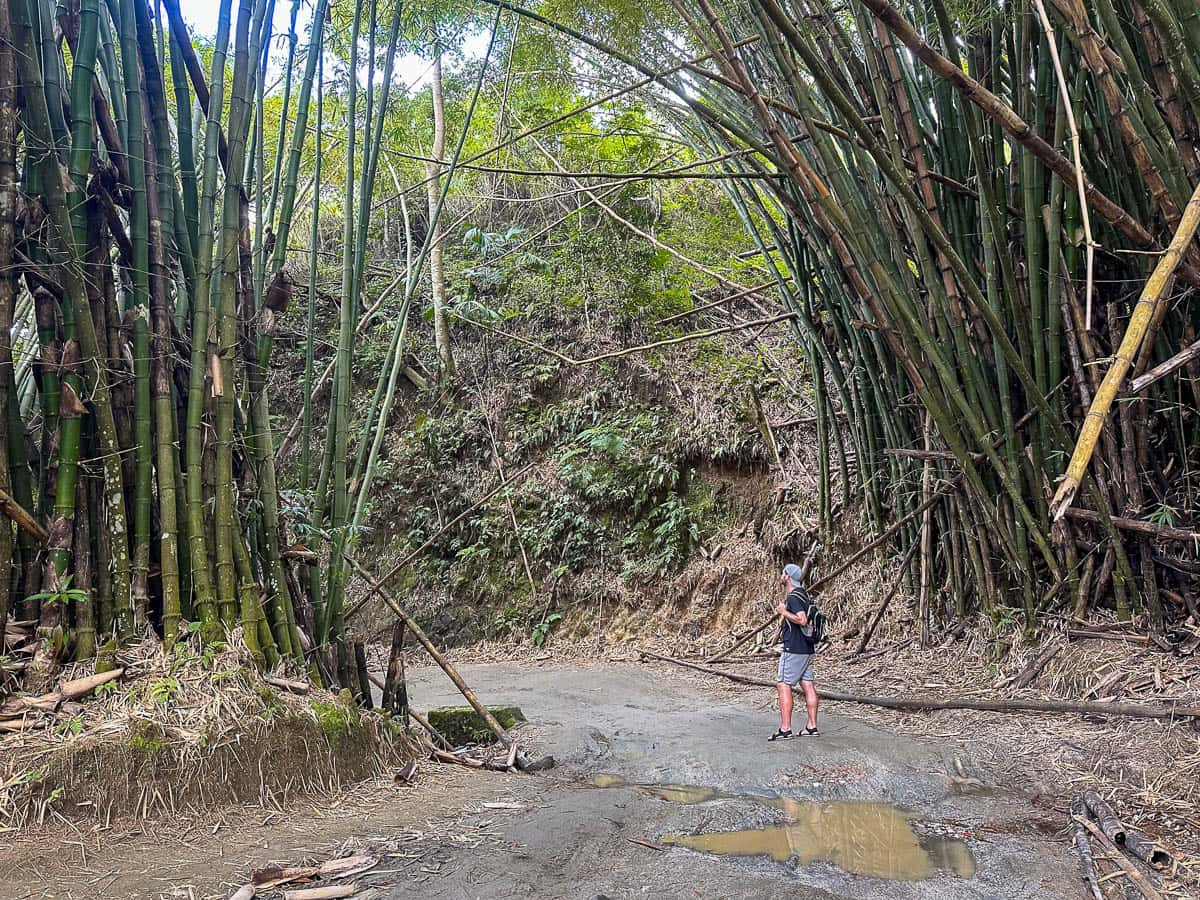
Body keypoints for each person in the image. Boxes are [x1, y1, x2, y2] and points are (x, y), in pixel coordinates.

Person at [768, 563, 819, 740]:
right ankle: (811, 726)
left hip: (794, 649)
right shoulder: (805, 595)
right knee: (808, 685)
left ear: (788, 576)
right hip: (807, 648)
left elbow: (802, 620)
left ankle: (785, 728)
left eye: (783, 573)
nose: (782, 575)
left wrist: (783, 611)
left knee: (783, 684)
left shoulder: (794, 597)